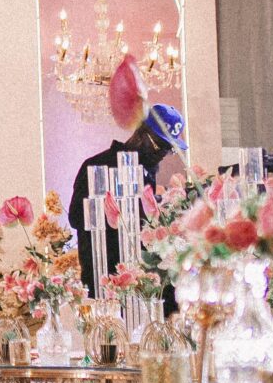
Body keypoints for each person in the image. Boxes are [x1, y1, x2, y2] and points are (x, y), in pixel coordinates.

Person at [68, 104, 186, 293]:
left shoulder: (146, 172)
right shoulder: (97, 165)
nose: (162, 155)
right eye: (160, 146)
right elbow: (75, 217)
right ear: (140, 133)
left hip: (138, 280)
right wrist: (112, 214)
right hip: (103, 279)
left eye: (169, 149)